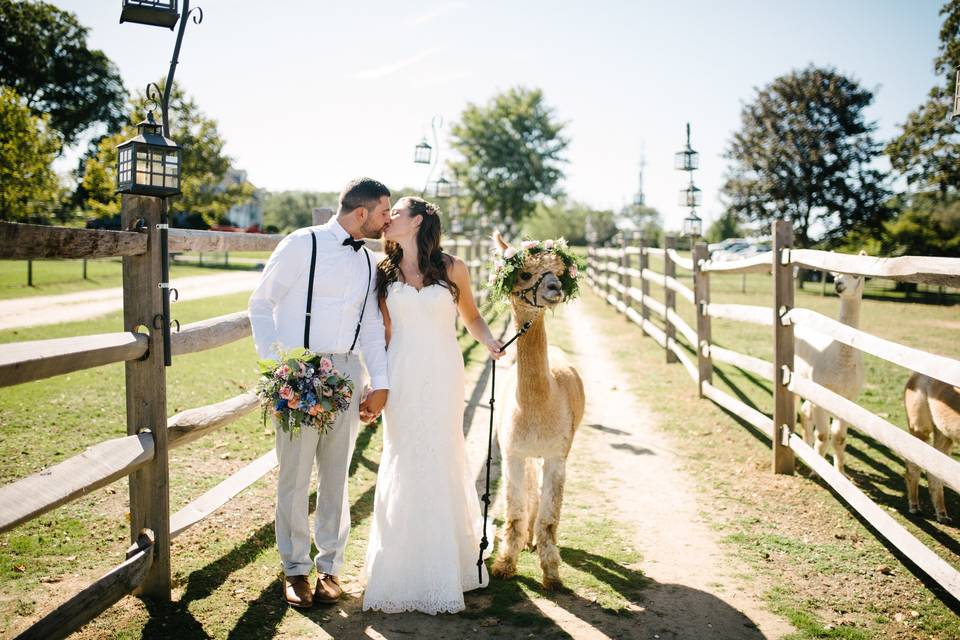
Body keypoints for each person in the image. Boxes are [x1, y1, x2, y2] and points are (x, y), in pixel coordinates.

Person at [248, 177, 392, 608]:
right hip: (301, 369)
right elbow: (260, 304)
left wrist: (378, 382)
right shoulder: (300, 244)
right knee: (293, 477)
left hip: (346, 373)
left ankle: (330, 567)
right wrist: (279, 365)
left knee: (335, 477)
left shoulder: (369, 262)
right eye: (384, 212)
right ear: (362, 212)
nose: (388, 220)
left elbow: (369, 327)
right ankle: (294, 569)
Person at [362, 196, 504, 615]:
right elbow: (383, 333)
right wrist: (376, 381)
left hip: (444, 373)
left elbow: (472, 317)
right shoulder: (382, 271)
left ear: (418, 221)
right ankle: (400, 564)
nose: (387, 220)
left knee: (442, 454)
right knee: (403, 455)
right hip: (402, 372)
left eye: (396, 214)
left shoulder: (452, 267)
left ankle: (448, 562)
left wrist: (490, 341)